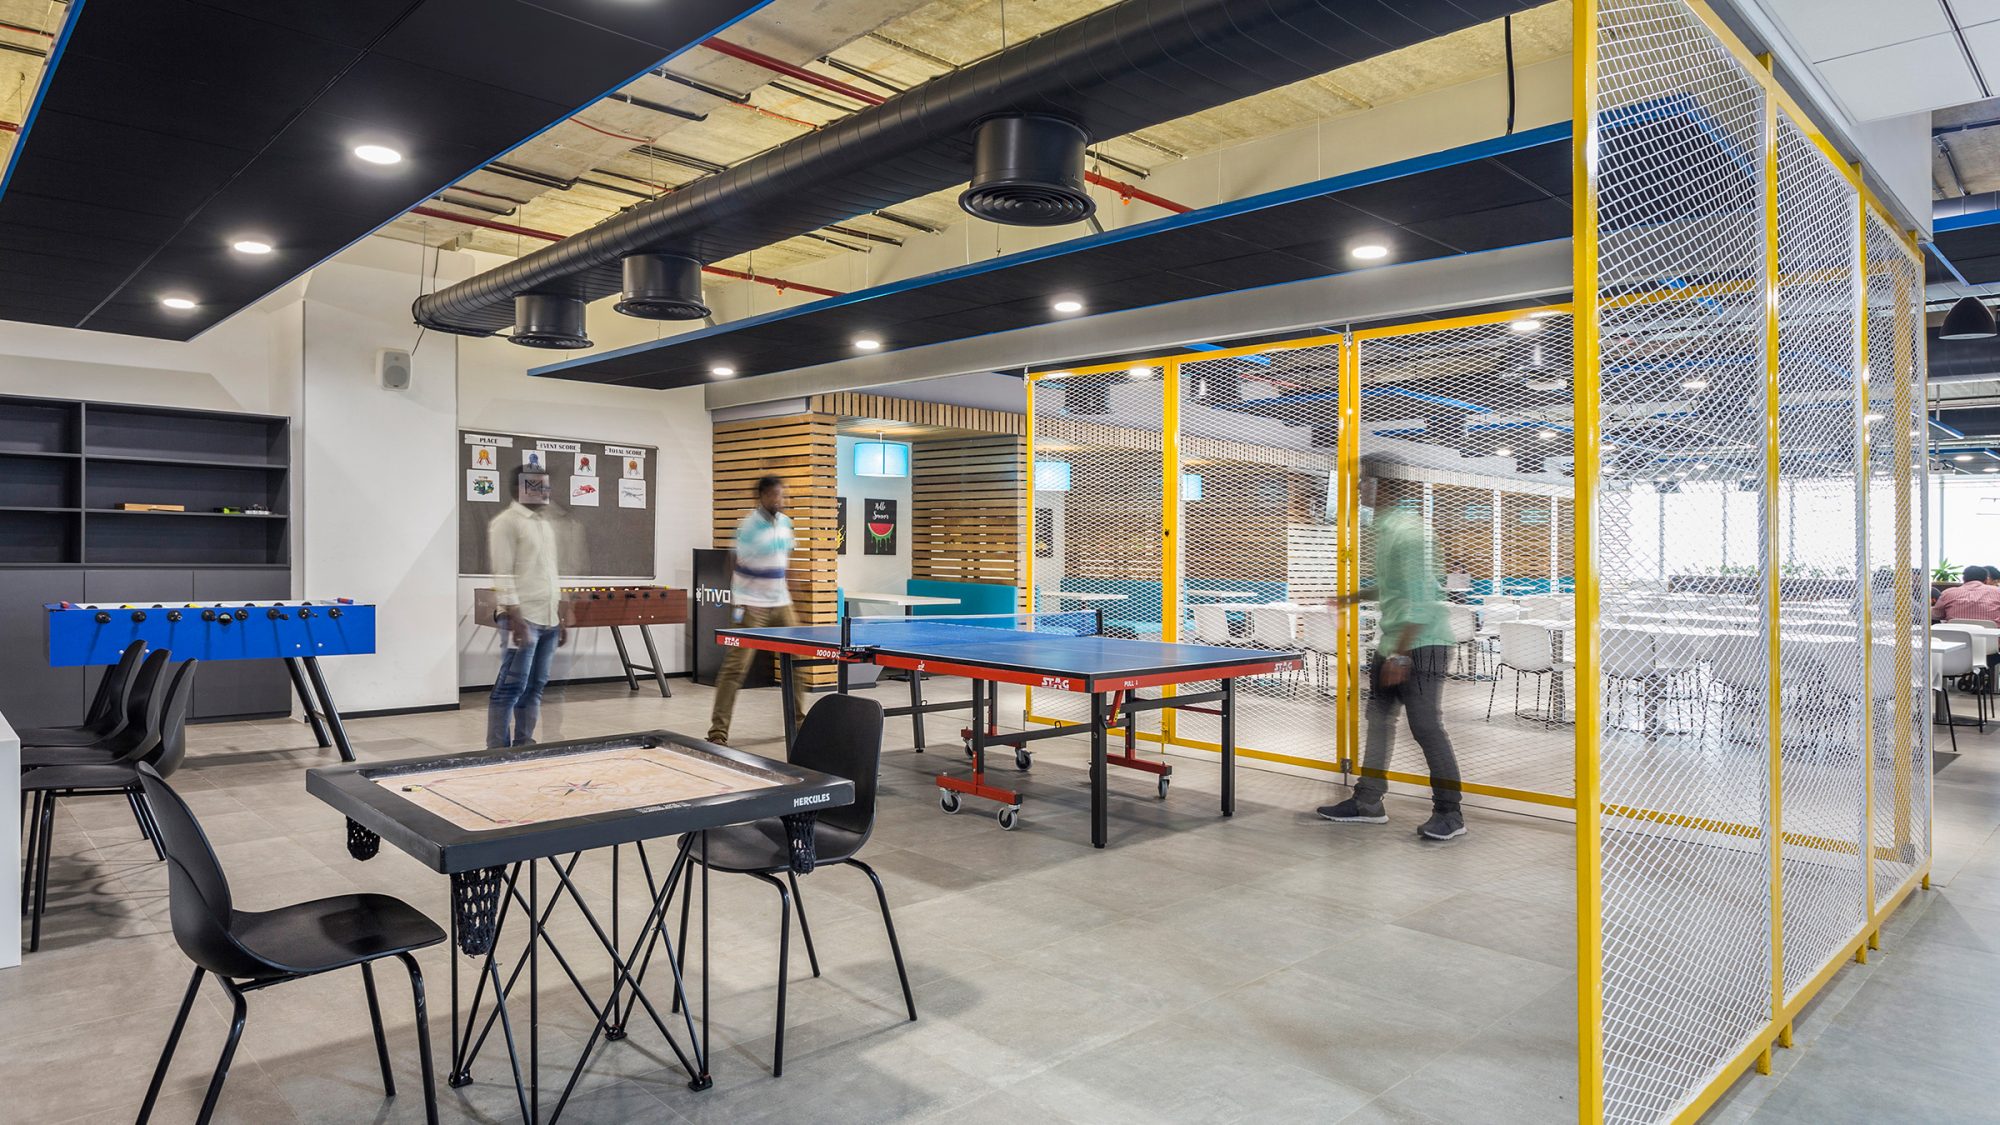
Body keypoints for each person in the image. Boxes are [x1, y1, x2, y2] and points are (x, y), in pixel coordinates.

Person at [1319, 454, 1465, 840]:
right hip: (1393, 642)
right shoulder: (1386, 530)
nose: (1357, 488)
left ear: (1384, 487)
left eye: (1363, 482)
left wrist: (1401, 654)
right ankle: (1368, 801)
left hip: (1420, 645)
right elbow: (1393, 587)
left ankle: (1450, 814)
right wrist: (1351, 597)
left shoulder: (1411, 533)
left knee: (1426, 728)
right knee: (1379, 722)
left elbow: (1420, 600)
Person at [708, 474, 806, 745]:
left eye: (781, 494)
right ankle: (718, 732)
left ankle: (799, 723)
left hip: (781, 603)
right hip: (752, 606)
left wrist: (792, 588)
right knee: (735, 668)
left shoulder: (786, 523)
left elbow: (787, 560)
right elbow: (731, 563)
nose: (779, 499)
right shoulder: (748, 526)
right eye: (774, 495)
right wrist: (741, 599)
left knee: (798, 661)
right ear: (762, 497)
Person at [488, 463, 567, 748]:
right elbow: (504, 573)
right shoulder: (506, 522)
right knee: (510, 688)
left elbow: (549, 572)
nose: (545, 491)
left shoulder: (543, 524)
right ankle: (497, 750)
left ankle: (525, 744)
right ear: (518, 488)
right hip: (521, 619)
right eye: (537, 485)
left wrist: (560, 614)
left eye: (546, 485)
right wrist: (516, 618)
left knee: (535, 687)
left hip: (547, 618)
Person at [1933, 564, 2000, 623]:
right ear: (1986, 580)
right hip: (1991, 636)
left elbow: (1936, 615)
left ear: (1963, 579)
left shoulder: (1948, 593)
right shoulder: (1997, 592)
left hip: (1954, 636)